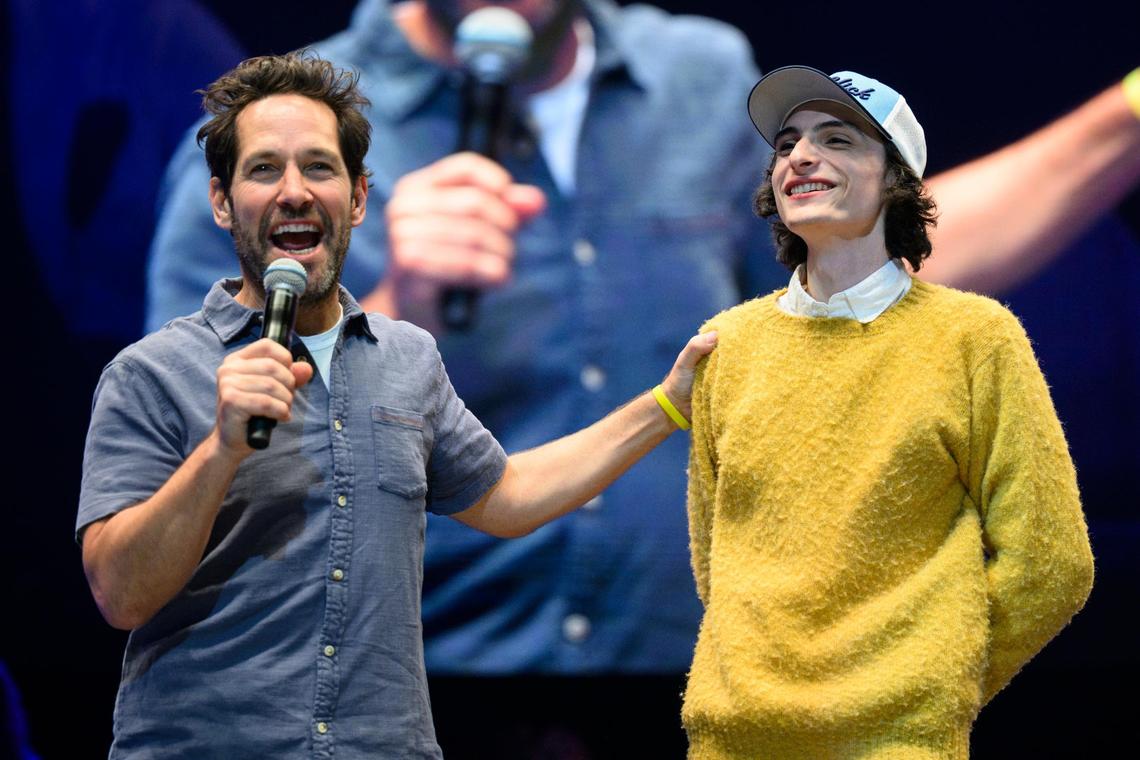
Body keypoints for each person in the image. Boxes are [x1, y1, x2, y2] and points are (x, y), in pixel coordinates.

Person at [144, 0, 1140, 752]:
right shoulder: (277, 139)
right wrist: (390, 299)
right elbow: (193, 488)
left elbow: (872, 258)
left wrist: (1123, 120)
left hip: (693, 684)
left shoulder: (701, 81)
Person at [77, 51, 713, 759]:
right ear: (222, 201)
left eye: (319, 167)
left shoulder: (407, 357)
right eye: (264, 169)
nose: (294, 191)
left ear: (356, 199)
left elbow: (506, 496)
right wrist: (221, 449)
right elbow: (120, 594)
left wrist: (668, 403)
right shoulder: (152, 373)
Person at [682, 66, 1095, 758]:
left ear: (895, 179)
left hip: (898, 743)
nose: (801, 157)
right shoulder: (727, 343)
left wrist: (933, 680)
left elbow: (1051, 566)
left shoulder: (975, 338)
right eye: (786, 145)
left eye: (836, 139)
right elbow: (714, 559)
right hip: (731, 741)